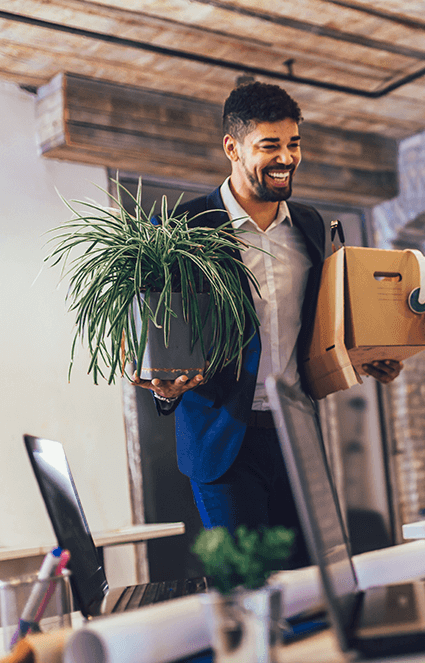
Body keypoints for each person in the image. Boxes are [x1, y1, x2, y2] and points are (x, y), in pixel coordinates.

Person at [131, 82, 401, 566]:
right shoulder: (181, 229)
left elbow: (322, 320)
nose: (286, 158)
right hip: (222, 441)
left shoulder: (312, 226)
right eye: (269, 146)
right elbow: (162, 335)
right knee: (250, 588)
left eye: (294, 144)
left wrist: (365, 356)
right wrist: (163, 388)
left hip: (298, 429)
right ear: (232, 148)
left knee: (316, 583)